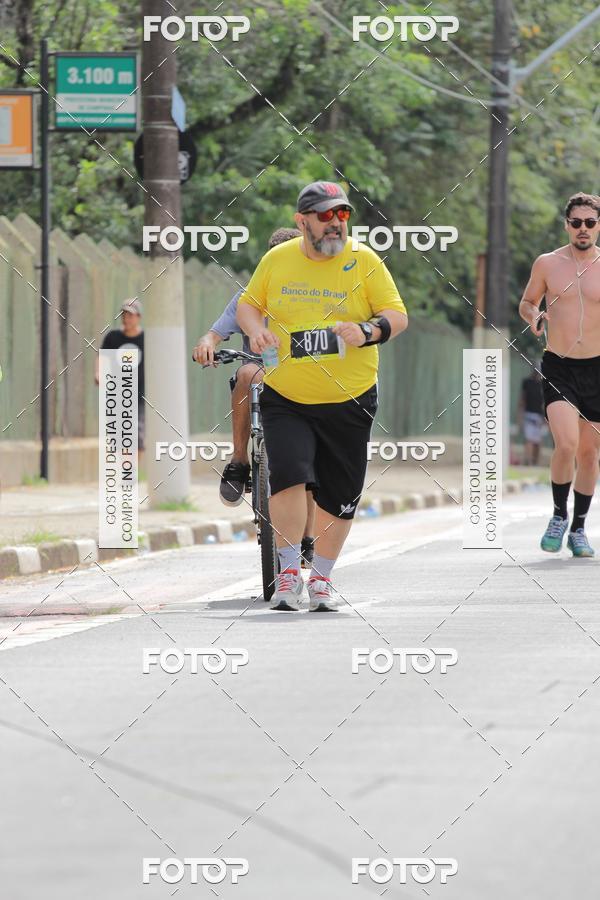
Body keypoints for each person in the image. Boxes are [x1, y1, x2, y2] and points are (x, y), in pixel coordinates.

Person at [237, 181, 408, 612]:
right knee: (288, 475)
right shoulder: (277, 259)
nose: (336, 224)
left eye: (343, 215)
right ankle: (289, 573)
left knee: (340, 494)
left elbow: (396, 315)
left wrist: (368, 331)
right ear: (302, 221)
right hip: (286, 393)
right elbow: (248, 304)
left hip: (349, 397)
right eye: (326, 215)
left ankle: (322, 579)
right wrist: (257, 330)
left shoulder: (365, 260)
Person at [192, 227, 316, 567]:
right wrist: (207, 344)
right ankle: (238, 462)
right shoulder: (251, 297)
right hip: (261, 371)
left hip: (304, 380)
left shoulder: (315, 296)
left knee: (310, 467)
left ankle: (307, 538)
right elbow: (216, 331)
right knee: (246, 373)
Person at [519, 191, 600, 557]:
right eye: (576, 222)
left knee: (589, 453)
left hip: (597, 368)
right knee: (565, 444)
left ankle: (580, 528)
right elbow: (527, 301)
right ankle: (558, 515)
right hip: (559, 365)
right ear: (566, 225)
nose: (583, 229)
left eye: (590, 223)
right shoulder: (547, 264)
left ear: (598, 226)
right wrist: (533, 316)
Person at [95, 298, 145, 453]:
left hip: (140, 396)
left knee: (137, 438)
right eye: (124, 314)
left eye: (130, 315)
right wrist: (98, 373)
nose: (126, 318)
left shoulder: (146, 339)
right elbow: (101, 357)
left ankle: (131, 473)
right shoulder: (112, 337)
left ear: (138, 317)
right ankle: (126, 473)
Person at [518, 367, 546, 465]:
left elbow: (545, 403)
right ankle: (529, 461)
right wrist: (520, 417)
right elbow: (522, 400)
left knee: (538, 441)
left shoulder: (543, 385)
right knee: (529, 439)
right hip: (529, 414)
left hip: (539, 416)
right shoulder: (527, 383)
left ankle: (536, 462)